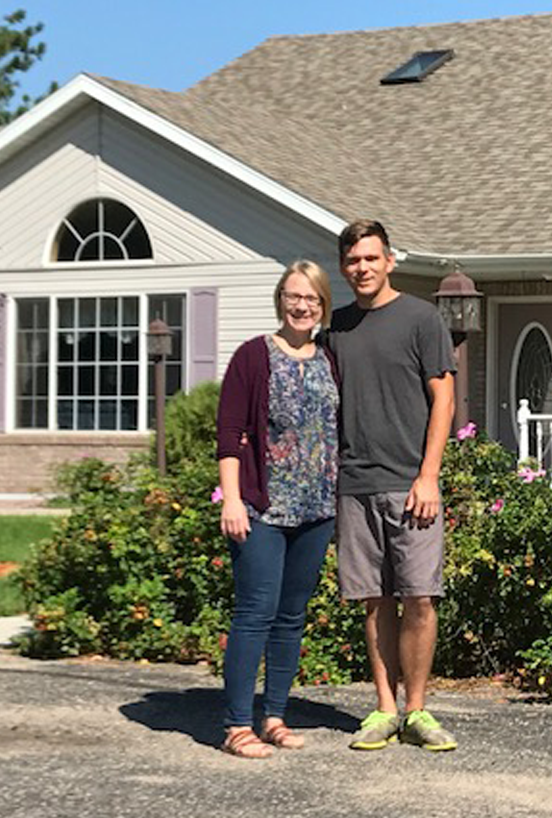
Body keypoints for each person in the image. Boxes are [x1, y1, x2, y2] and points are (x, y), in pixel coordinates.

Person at [326, 219, 458, 752]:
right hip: (355, 483)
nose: (363, 268)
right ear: (343, 266)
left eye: (371, 258)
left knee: (420, 597)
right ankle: (384, 708)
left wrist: (429, 475)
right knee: (375, 601)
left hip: (410, 483)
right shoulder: (335, 328)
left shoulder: (422, 319)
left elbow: (444, 400)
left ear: (390, 261)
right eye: (353, 260)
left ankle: (418, 711)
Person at [215, 260, 338, 759]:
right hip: (262, 509)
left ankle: (274, 717)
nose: (302, 305)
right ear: (280, 299)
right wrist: (233, 499)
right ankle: (236, 725)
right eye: (293, 296)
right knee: (254, 614)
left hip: (317, 508)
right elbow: (229, 431)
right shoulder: (253, 356)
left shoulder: (330, 358)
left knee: (291, 617)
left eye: (311, 298)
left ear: (323, 305)